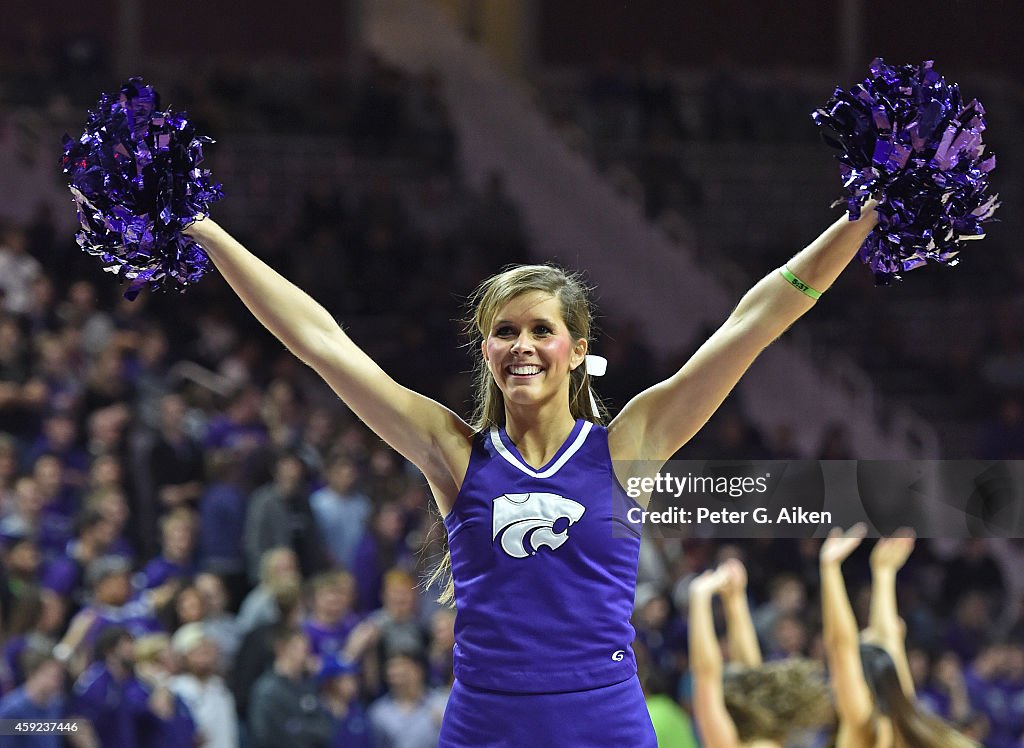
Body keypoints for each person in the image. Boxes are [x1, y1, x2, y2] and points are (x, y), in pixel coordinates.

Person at [184, 195, 880, 745]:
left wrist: (862, 217)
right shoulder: (455, 455)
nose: (523, 345)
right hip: (488, 724)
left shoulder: (629, 444)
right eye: (505, 331)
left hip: (603, 722)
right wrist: (207, 231)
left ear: (577, 349)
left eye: (541, 330)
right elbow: (320, 343)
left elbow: (754, 323)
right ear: (485, 351)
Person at [819, 525, 979, 747]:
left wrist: (830, 569)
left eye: (839, 674)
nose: (834, 680)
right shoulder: (902, 717)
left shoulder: (864, 725)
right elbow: (890, 642)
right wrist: (884, 573)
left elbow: (841, 646)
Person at [688, 559, 833, 747]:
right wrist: (735, 599)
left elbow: (706, 676)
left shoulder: (731, 743)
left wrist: (700, 596)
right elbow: (751, 674)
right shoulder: (770, 740)